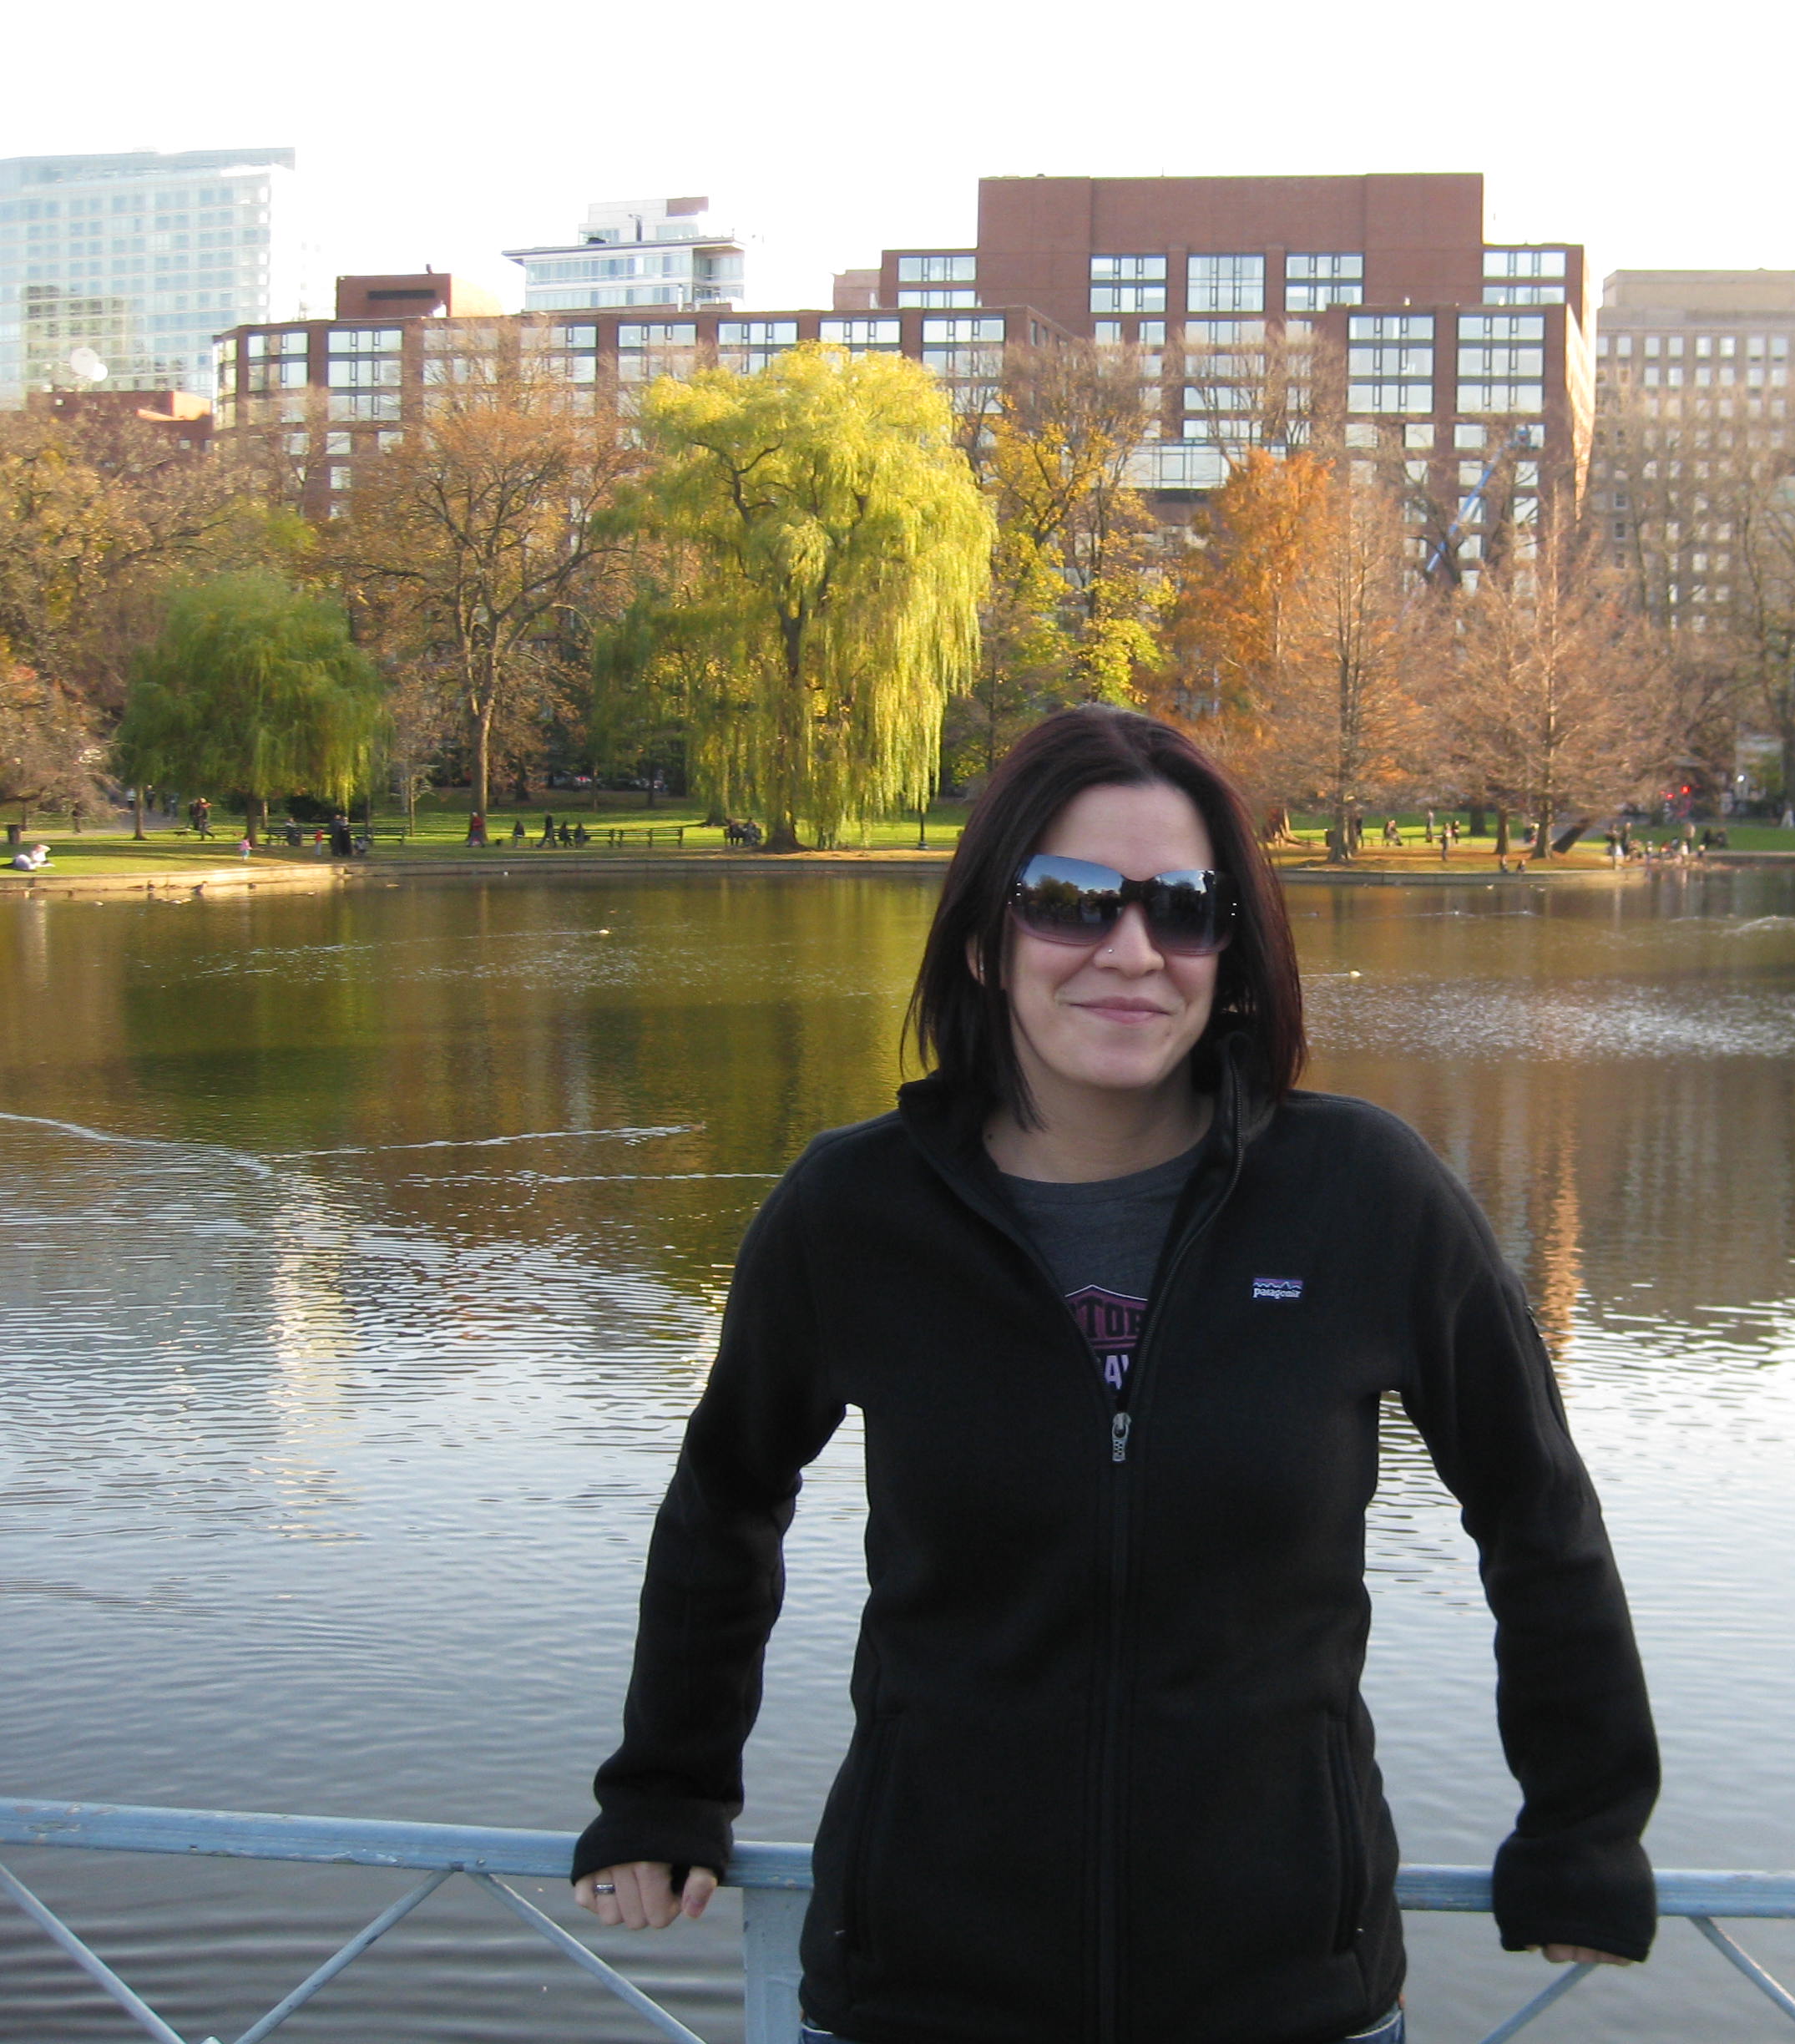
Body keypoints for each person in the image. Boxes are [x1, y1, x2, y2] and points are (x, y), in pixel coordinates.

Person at [570, 706, 1657, 2044]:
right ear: (985, 940)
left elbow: (1538, 1516)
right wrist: (669, 1789)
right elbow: (725, 1501)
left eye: (1185, 909)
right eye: (1073, 901)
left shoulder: (1365, 1198)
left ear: (1232, 951)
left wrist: (1583, 1825)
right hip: (921, 1986)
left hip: (1284, 1995)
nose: (1132, 953)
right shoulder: (854, 1215)